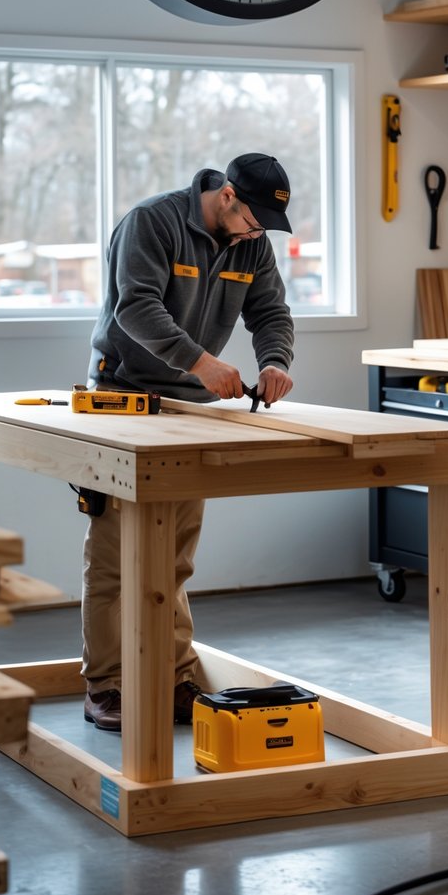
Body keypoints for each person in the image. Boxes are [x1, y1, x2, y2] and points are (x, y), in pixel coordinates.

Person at [81, 152, 295, 731]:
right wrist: (200, 363)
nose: (257, 235)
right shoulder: (152, 223)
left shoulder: (251, 241)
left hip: (190, 407)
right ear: (227, 196)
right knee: (115, 556)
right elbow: (136, 309)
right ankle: (106, 685)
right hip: (123, 395)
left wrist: (274, 362)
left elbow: (270, 311)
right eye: (253, 221)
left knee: (174, 557)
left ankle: (174, 678)